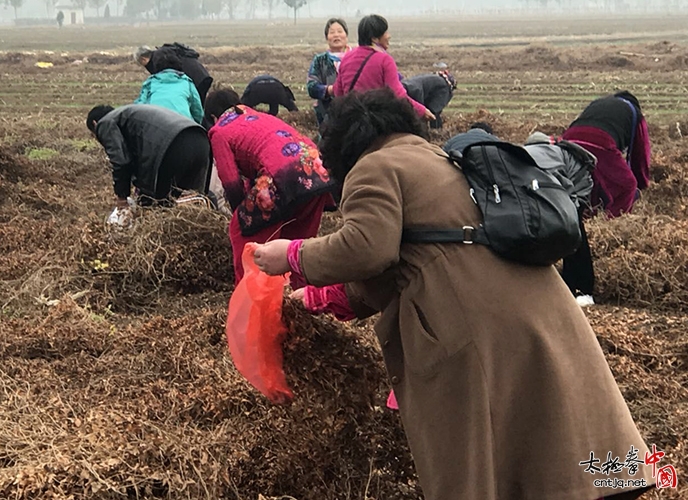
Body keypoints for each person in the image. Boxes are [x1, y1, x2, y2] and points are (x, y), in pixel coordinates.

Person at [251, 89, 654, 500]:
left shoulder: (374, 166)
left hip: (473, 326)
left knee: (491, 462)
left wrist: (293, 255)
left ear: (343, 148)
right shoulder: (440, 159)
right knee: (555, 440)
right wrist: (318, 299)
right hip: (537, 312)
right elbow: (397, 267)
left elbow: (368, 247)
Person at [204, 88, 336, 288]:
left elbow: (230, 181)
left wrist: (241, 212)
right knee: (296, 242)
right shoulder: (258, 117)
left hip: (283, 175)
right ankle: (300, 296)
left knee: (240, 230)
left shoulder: (219, 131)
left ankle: (249, 292)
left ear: (214, 116)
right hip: (316, 169)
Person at [559, 91, 651, 305]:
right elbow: (640, 153)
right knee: (627, 185)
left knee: (587, 183)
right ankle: (612, 222)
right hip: (599, 141)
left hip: (569, 138)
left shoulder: (600, 104)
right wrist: (642, 182)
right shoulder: (634, 113)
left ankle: (586, 216)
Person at [86, 104, 211, 220]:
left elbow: (121, 161)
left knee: (155, 206)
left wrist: (122, 198)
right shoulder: (130, 115)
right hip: (200, 140)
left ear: (95, 124)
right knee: (195, 203)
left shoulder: (105, 123)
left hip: (172, 146)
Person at [333, 15, 435, 122]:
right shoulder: (385, 60)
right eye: (385, 32)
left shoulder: (347, 57)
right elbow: (397, 94)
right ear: (374, 39)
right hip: (376, 120)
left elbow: (338, 92)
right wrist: (421, 111)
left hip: (350, 120)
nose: (389, 36)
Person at [134, 48, 204, 124]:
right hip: (183, 126)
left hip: (156, 126)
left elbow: (139, 108)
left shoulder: (150, 83)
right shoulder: (187, 82)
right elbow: (198, 112)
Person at [134, 43, 213, 105]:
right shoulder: (165, 52)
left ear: (143, 59)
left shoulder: (158, 59)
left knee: (195, 106)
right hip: (202, 76)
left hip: (195, 80)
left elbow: (169, 77)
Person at [306, 18, 351, 126]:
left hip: (354, 114)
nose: (336, 35)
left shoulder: (356, 58)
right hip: (328, 116)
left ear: (346, 35)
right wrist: (330, 90)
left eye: (340, 31)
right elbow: (311, 87)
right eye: (332, 32)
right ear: (327, 37)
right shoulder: (320, 60)